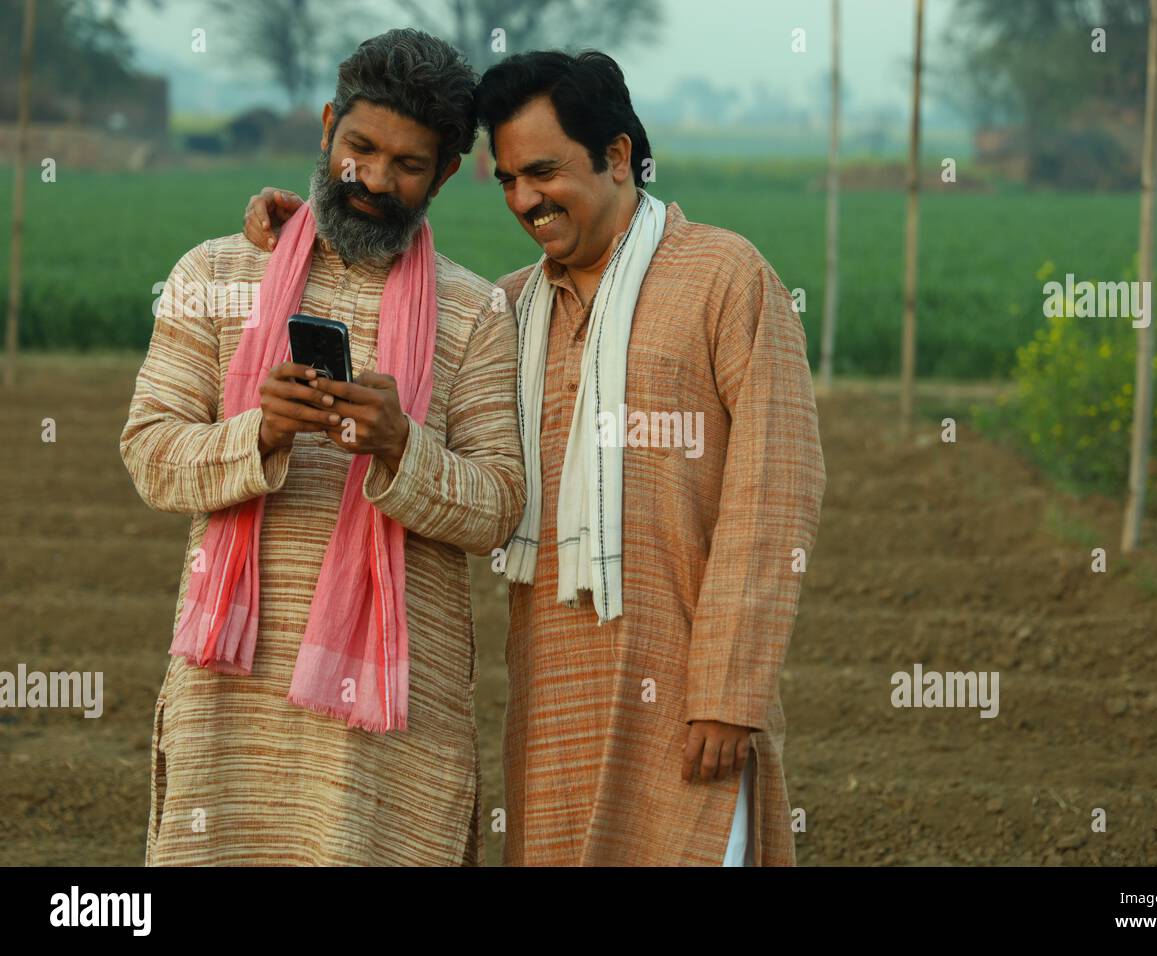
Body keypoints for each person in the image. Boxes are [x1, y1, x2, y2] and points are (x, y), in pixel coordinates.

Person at [243, 50, 825, 866]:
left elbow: (776, 494)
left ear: (619, 156)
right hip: (553, 694)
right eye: (509, 179)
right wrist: (294, 227)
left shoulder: (725, 279)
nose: (525, 201)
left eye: (544, 172)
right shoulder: (507, 309)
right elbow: (388, 302)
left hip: (689, 701)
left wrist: (730, 694)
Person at [121, 29, 525, 866]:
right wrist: (259, 431)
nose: (375, 179)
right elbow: (151, 455)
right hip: (229, 695)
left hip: (393, 714)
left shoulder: (478, 313)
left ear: (449, 173)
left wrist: (401, 448)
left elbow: (498, 505)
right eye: (360, 148)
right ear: (327, 126)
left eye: (408, 164)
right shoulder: (214, 272)